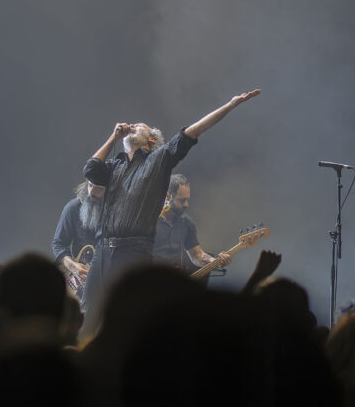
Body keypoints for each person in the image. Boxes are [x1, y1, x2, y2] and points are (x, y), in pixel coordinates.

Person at [81, 89, 261, 335]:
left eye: (140, 126)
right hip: (103, 249)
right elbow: (90, 169)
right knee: (90, 312)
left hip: (133, 250)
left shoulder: (159, 159)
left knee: (129, 318)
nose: (132, 126)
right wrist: (113, 138)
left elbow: (193, 132)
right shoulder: (116, 165)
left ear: (151, 140)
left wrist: (230, 104)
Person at [153, 173, 231, 274]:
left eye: (187, 200)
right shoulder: (149, 221)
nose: (186, 204)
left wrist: (214, 261)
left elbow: (197, 256)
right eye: (182, 200)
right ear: (167, 197)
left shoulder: (186, 222)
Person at [51, 181, 105, 300]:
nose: (91, 192)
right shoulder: (74, 207)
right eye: (90, 185)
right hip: (79, 281)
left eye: (99, 188)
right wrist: (74, 267)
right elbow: (58, 244)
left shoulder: (117, 212)